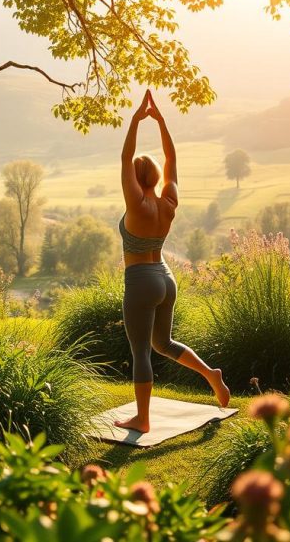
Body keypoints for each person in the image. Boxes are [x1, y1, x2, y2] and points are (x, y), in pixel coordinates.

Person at [115, 90, 230, 434]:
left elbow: (125, 157)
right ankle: (211, 374)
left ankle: (143, 418)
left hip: (140, 281)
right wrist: (162, 123)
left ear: (136, 179)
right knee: (162, 344)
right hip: (166, 278)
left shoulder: (136, 204)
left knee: (141, 353)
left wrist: (136, 120)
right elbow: (172, 161)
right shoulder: (168, 202)